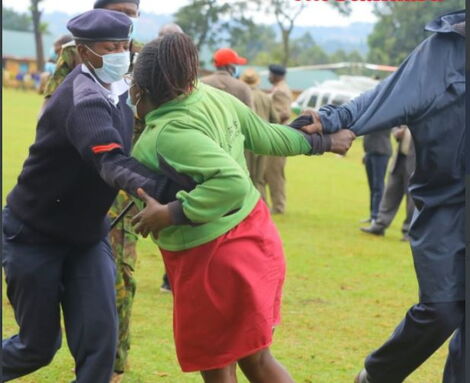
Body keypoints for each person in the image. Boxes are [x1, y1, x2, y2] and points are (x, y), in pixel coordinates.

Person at [126, 33, 355, 383]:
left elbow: (231, 182)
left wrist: (170, 213)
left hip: (213, 258)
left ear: (142, 89)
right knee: (256, 359)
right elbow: (269, 136)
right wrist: (321, 142)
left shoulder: (166, 133)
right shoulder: (211, 97)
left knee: (218, 365)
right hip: (255, 237)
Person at [2, 10, 180, 383]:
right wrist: (168, 193)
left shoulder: (122, 88)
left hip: (86, 237)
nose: (120, 53)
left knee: (101, 344)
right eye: (108, 47)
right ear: (84, 54)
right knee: (37, 347)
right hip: (34, 236)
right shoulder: (82, 98)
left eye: (124, 45)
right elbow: (110, 161)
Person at [293, 10, 465, 383]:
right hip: (445, 205)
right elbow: (386, 95)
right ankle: (375, 375)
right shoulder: (443, 52)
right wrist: (333, 118)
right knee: (442, 309)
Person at [41, 2, 146, 381]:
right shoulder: (76, 53)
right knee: (74, 272)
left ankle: (113, 369)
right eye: (120, 9)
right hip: (81, 176)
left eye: (134, 11)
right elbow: (53, 109)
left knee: (122, 276)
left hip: (125, 181)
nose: (128, 18)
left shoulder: (142, 56)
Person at [361, 126, 415, 241]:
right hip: (400, 158)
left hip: (415, 163)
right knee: (390, 193)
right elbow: (396, 127)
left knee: (412, 199)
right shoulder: (409, 112)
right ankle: (379, 225)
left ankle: (409, 231)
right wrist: (396, 133)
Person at [240, 68, 280, 198]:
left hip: (246, 142)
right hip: (263, 141)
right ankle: (263, 211)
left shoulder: (241, 96)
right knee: (259, 179)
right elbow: (276, 119)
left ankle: (250, 212)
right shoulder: (265, 97)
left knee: (247, 177)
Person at [263, 64, 293, 214]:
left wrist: (267, 121)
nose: (268, 77)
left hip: (278, 137)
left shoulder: (281, 91)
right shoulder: (279, 88)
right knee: (267, 172)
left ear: (276, 75)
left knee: (274, 172)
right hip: (275, 136)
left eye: (270, 74)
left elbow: (284, 113)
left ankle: (278, 206)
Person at [360, 128, 392, 224]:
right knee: (372, 186)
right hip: (370, 151)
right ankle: (372, 215)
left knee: (378, 186)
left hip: (380, 151)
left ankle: (377, 216)